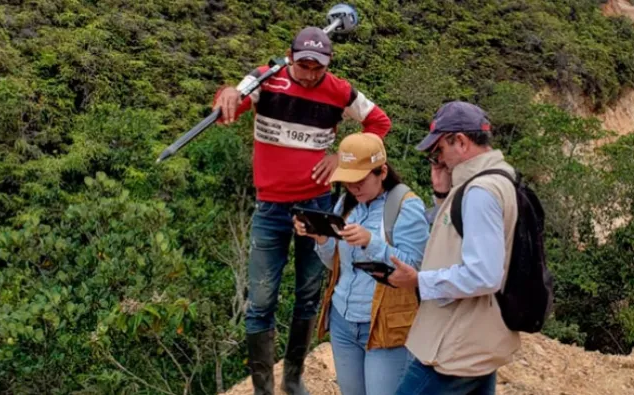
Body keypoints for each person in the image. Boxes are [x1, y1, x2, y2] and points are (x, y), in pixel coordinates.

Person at [211, 26, 392, 395]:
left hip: (316, 207)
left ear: (327, 65)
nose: (311, 74)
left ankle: (292, 379)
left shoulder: (339, 91)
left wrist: (339, 156)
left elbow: (379, 122)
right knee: (261, 300)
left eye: (318, 68)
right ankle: (264, 389)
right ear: (290, 57)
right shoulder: (266, 78)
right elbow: (230, 104)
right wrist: (228, 93)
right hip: (271, 208)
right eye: (304, 65)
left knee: (308, 294)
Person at [379, 101, 520, 394]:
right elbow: (460, 239)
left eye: (439, 149)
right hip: (476, 339)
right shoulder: (497, 177)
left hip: (454, 344)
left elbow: (484, 274)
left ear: (461, 141)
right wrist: (443, 194)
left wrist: (418, 280)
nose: (437, 158)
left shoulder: (480, 191)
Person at [292, 133, 429, 395]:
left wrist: (371, 242)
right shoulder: (347, 204)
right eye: (348, 181)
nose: (354, 187)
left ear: (382, 172)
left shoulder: (405, 207)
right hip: (344, 320)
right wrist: (320, 238)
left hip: (384, 325)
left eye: (360, 180)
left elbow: (414, 271)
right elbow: (337, 267)